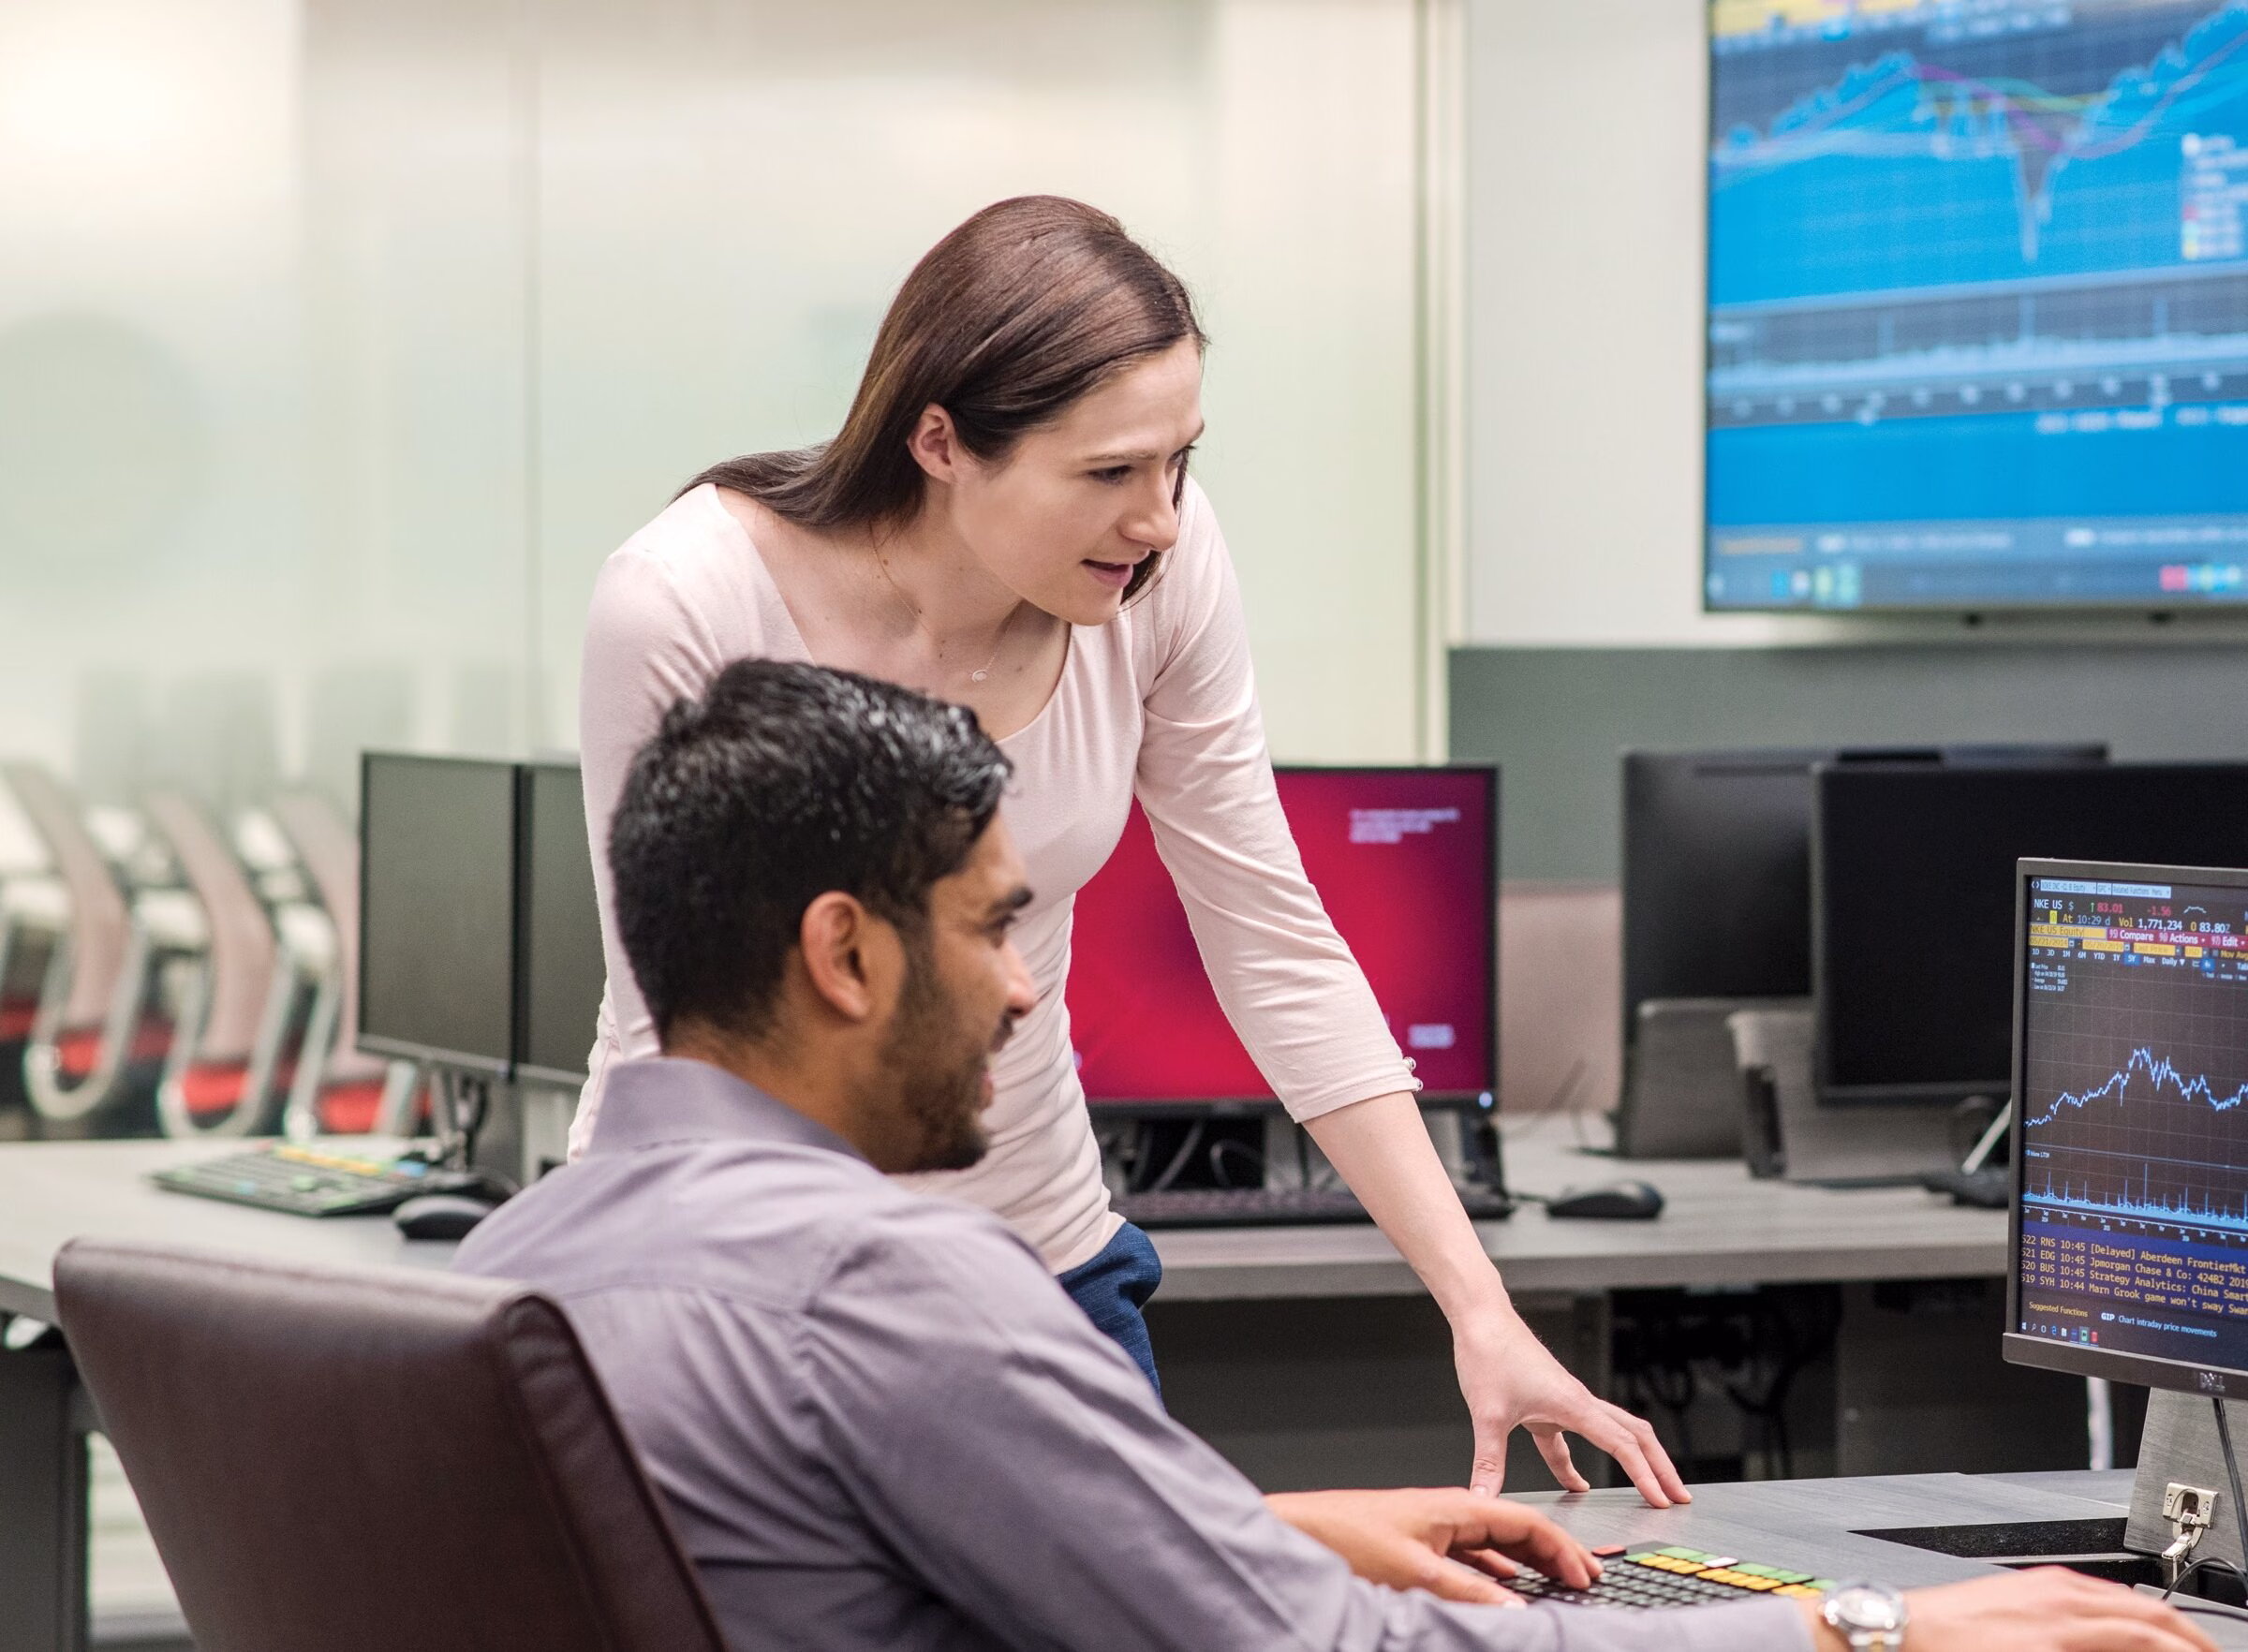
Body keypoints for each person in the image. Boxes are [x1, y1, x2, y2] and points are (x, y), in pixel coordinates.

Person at [460, 660, 2212, 1652]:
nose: (1023, 989)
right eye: (1000, 928)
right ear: (844, 956)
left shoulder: (517, 1267)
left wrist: (1251, 1527)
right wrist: (1871, 1636)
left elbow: (803, 1574)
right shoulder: (893, 1288)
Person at [570, 193, 1678, 1501]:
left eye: (1179, 462)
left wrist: (1479, 1310)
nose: (1156, 517)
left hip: (1035, 1265)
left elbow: (1271, 936)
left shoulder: (1150, 572)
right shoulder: (685, 599)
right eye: (1107, 473)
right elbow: (683, 1034)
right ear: (940, 442)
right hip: (740, 1287)